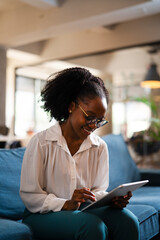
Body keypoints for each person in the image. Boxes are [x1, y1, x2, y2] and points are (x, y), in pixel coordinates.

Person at [20, 67, 140, 240]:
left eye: (99, 121)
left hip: (82, 208)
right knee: (91, 227)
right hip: (40, 214)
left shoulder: (99, 147)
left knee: (128, 221)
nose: (93, 125)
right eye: (89, 117)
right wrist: (66, 203)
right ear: (71, 106)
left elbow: (99, 189)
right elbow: (31, 196)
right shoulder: (41, 142)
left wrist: (111, 200)